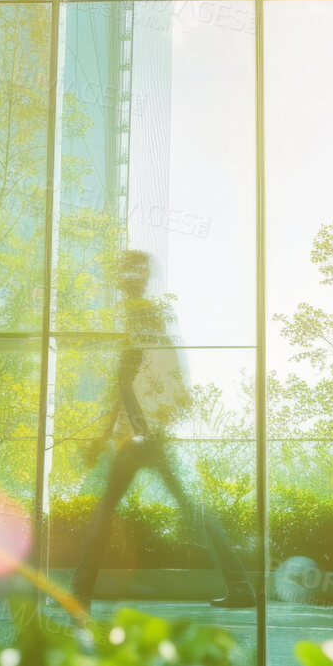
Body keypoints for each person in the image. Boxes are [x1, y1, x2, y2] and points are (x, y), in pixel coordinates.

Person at [71, 250, 255, 610]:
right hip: (150, 432)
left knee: (107, 513)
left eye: (125, 273)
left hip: (140, 435)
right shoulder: (149, 314)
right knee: (193, 510)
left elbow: (125, 380)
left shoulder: (136, 315)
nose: (123, 279)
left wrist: (115, 432)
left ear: (130, 278)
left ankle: (81, 592)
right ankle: (241, 587)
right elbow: (157, 371)